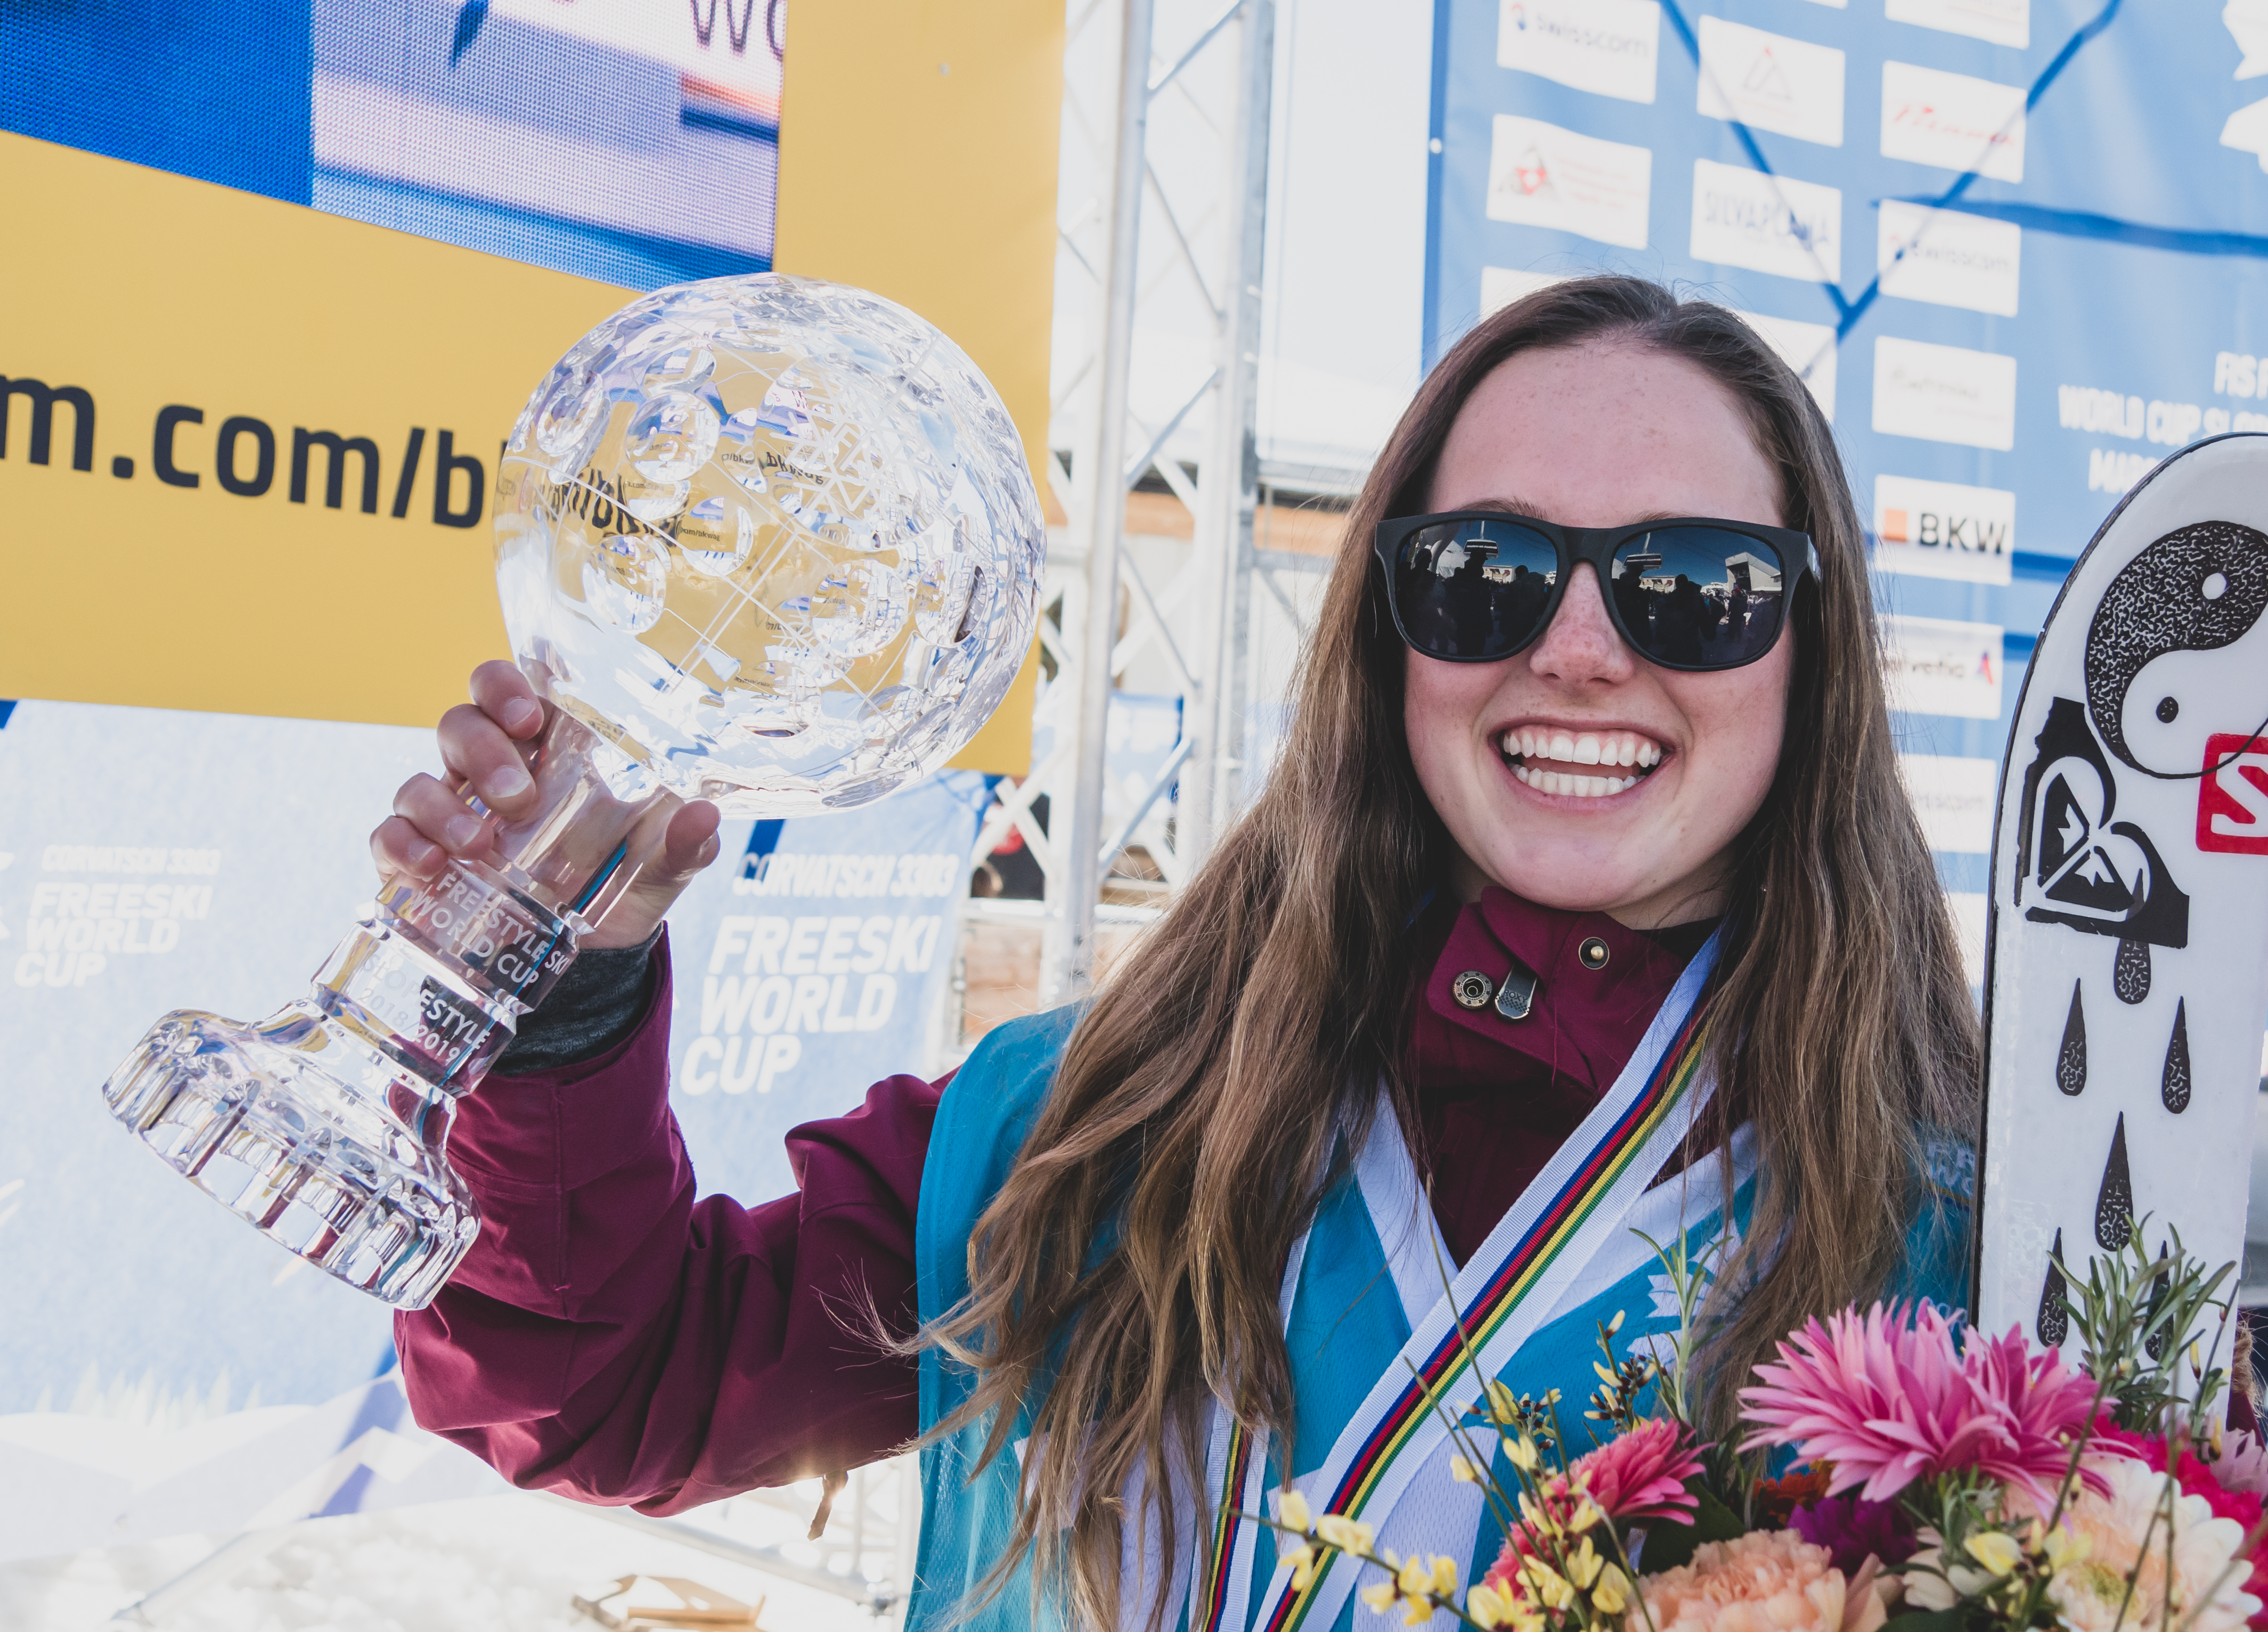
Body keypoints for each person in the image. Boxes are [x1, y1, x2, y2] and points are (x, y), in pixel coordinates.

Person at [385, 277, 1978, 1632]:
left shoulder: (1948, 1253)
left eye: (1692, 588)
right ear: (1388, 629)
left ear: (1810, 650)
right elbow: (613, 1386)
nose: (1577, 648)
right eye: (1483, 573)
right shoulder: (1078, 1121)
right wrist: (568, 994)